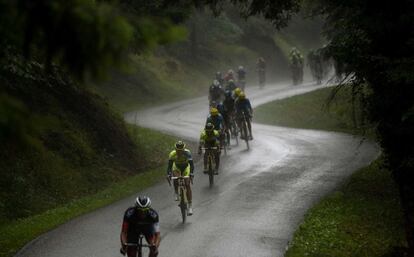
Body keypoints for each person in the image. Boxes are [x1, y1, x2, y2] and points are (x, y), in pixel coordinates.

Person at [167, 141, 194, 215]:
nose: (179, 152)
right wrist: (168, 174)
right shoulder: (172, 154)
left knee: (187, 184)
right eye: (177, 150)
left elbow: (191, 165)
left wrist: (191, 173)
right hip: (177, 168)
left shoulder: (187, 153)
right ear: (175, 149)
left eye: (180, 151)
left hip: (186, 168)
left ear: (183, 149)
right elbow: (169, 166)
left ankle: (190, 205)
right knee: (175, 177)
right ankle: (176, 192)